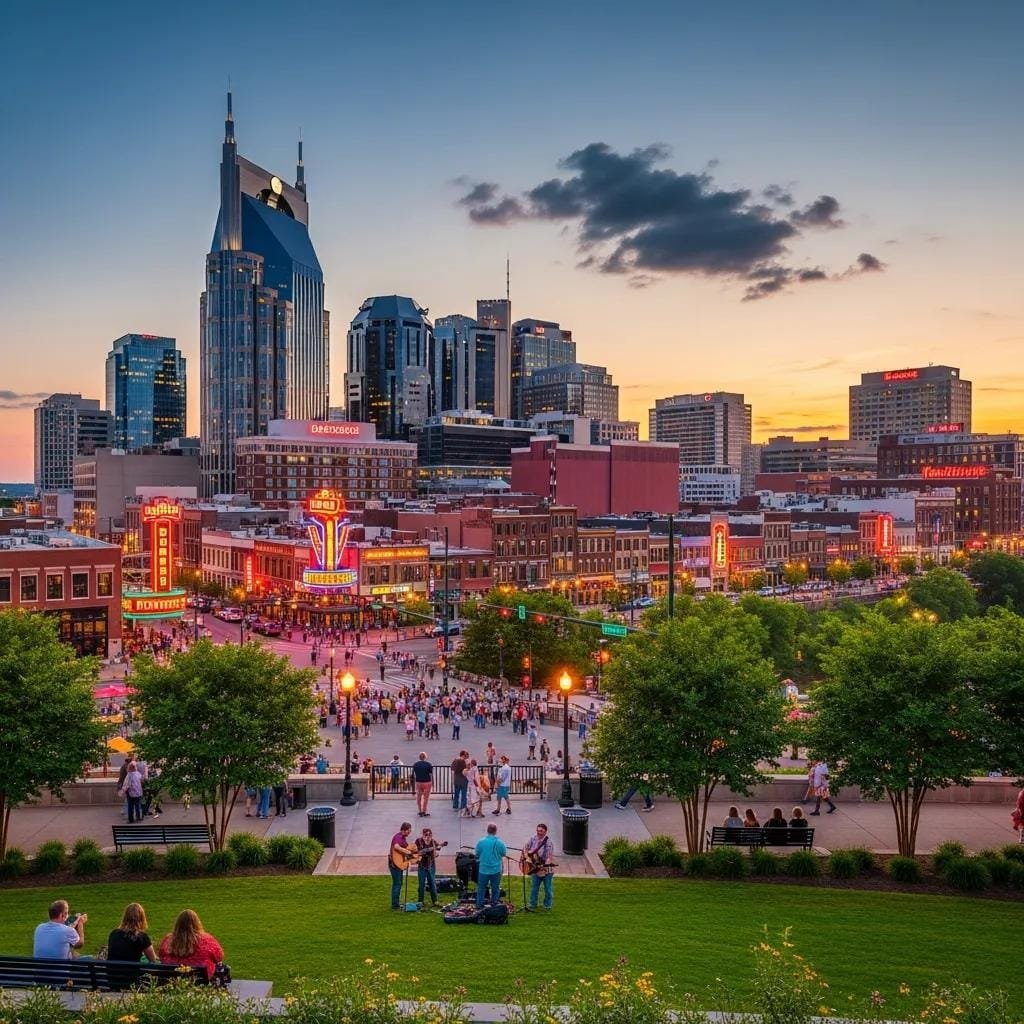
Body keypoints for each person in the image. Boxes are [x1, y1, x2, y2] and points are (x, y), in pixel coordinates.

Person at [158, 910, 224, 981]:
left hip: (172, 980)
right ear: (197, 923)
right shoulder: (207, 940)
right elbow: (219, 956)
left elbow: (161, 956)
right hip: (200, 981)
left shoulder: (168, 940)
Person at [523, 823, 555, 911]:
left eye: (541, 831)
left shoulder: (548, 843)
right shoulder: (533, 839)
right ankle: (533, 904)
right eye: (538, 830)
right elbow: (525, 847)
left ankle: (547, 905)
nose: (539, 832)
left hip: (546, 870)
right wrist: (527, 857)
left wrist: (544, 866)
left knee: (548, 888)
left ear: (545, 831)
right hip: (535, 868)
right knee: (534, 887)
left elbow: (549, 857)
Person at [474, 822, 507, 908]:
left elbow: (477, 853)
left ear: (487, 831)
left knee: (481, 888)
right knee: (495, 888)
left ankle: (479, 905)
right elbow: (504, 853)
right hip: (496, 870)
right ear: (495, 831)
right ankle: (494, 904)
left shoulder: (481, 842)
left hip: (483, 869)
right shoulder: (500, 843)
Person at [388, 822, 417, 910]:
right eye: (408, 831)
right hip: (394, 865)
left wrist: (413, 853)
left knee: (398, 883)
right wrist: (407, 852)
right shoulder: (398, 837)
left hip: (398, 864)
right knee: (397, 884)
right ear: (403, 830)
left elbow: (407, 849)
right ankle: (395, 905)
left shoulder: (403, 839)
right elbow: (396, 847)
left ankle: (396, 903)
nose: (409, 832)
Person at [414, 826, 443, 906]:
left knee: (432, 883)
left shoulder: (433, 842)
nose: (428, 836)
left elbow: (437, 849)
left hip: (431, 865)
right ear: (423, 835)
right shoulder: (418, 841)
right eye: (426, 835)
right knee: (421, 884)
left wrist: (437, 852)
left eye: (430, 835)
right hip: (422, 865)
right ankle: (420, 901)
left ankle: (435, 901)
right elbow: (416, 851)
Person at [412, 751, 433, 816]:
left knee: (419, 797)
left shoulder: (415, 764)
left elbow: (414, 773)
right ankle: (424, 811)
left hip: (418, 782)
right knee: (426, 798)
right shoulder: (428, 764)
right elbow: (430, 773)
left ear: (419, 757)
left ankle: (420, 810)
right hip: (427, 782)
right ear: (425, 757)